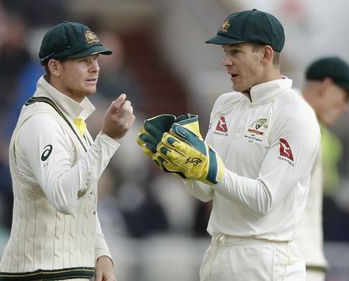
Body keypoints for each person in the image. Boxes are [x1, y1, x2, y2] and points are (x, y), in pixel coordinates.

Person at [137, 9, 320, 281]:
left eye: (235, 52)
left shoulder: (295, 114)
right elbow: (205, 191)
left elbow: (263, 199)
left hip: (266, 261)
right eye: (225, 52)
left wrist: (212, 170)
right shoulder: (226, 104)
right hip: (218, 252)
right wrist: (181, 166)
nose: (225, 62)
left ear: (266, 54)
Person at [0, 22, 135, 281]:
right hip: (41, 272)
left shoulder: (69, 117)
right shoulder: (42, 122)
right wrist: (107, 139)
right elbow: (64, 196)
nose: (95, 67)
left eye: (95, 59)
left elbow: (83, 195)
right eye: (83, 60)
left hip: (63, 270)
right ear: (55, 67)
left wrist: (100, 252)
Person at [299, 56, 349, 281]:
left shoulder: (316, 131)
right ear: (327, 87)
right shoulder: (291, 123)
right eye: (345, 97)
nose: (346, 108)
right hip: (288, 263)